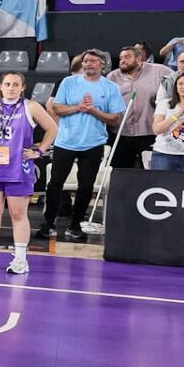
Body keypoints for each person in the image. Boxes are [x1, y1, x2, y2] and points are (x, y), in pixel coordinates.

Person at [0, 72, 59, 274]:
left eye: (15, 84)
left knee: (18, 214)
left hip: (18, 168)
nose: (11, 87)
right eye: (7, 84)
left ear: (23, 87)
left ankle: (20, 259)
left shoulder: (31, 107)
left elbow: (52, 129)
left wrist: (39, 150)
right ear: (1, 87)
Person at [39, 49, 125, 241]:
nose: (88, 64)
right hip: (65, 141)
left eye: (93, 61)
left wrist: (93, 110)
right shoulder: (68, 82)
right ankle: (48, 223)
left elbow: (115, 119)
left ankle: (75, 225)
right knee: (55, 184)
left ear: (102, 64)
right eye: (85, 61)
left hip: (93, 144)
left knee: (86, 186)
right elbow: (57, 108)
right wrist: (78, 107)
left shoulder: (110, 88)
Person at [109, 44, 169, 169]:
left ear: (139, 58)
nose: (123, 60)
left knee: (150, 172)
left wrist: (163, 100)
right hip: (121, 133)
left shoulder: (160, 71)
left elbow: (179, 87)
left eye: (127, 57)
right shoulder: (112, 77)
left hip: (150, 133)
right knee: (120, 171)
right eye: (121, 58)